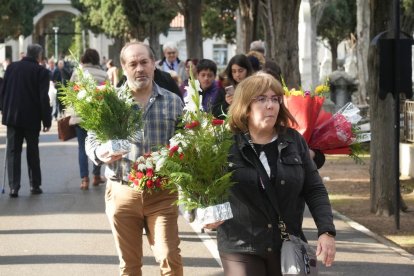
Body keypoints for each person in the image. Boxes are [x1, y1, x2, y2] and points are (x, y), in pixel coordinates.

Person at [205, 73, 336, 275]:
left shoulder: (294, 141)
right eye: (262, 99)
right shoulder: (225, 144)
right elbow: (206, 187)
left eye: (275, 99)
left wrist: (326, 231)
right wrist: (205, 214)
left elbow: (314, 188)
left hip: (285, 242)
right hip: (240, 244)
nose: (270, 105)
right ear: (245, 106)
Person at [85, 42, 184, 275]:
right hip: (122, 191)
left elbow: (186, 140)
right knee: (129, 266)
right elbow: (91, 141)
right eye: (133, 64)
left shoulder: (173, 102)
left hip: (162, 192)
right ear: (123, 68)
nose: (139, 68)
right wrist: (101, 152)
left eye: (144, 62)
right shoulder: (109, 103)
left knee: (170, 257)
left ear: (154, 64)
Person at [0, 44, 51, 198]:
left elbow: (3, 91)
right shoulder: (41, 71)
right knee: (32, 152)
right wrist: (46, 120)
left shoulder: (11, 68)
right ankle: (34, 185)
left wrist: (4, 109)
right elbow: (43, 98)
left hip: (13, 117)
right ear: (39, 56)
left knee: (13, 152)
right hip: (32, 118)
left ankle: (13, 187)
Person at [69, 48, 108, 190]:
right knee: (97, 146)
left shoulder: (77, 74)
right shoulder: (103, 74)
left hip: (80, 117)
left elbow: (71, 95)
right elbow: (107, 96)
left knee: (82, 148)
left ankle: (84, 179)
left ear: (83, 59)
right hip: (98, 117)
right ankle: (96, 176)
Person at [212, 54, 254, 119]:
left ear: (247, 70)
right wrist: (226, 103)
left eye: (240, 71)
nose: (237, 74)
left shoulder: (255, 86)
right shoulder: (225, 87)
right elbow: (215, 114)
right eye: (234, 71)